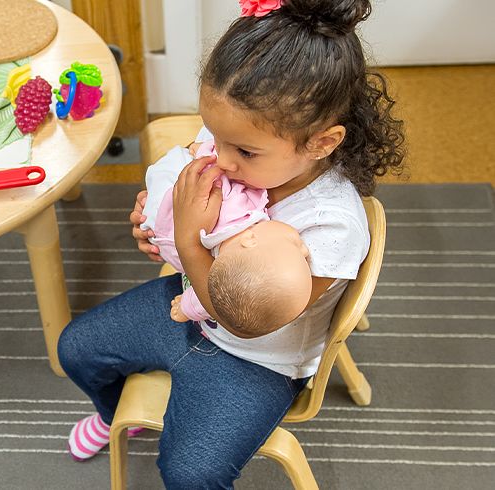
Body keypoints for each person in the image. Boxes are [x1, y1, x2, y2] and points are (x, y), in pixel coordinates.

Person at [58, 0, 405, 487]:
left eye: (243, 150)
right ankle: (116, 413)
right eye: (213, 135)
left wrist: (188, 239)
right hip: (185, 300)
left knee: (189, 474)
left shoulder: (331, 227)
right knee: (75, 348)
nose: (219, 159)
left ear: (322, 143)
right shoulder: (237, 141)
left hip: (257, 356)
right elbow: (190, 185)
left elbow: (244, 322)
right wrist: (158, 222)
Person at [143, 138, 313, 336]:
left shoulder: (235, 212)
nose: (305, 249)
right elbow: (206, 301)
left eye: (295, 246)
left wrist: (205, 151)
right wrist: (185, 308)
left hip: (168, 210)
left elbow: (213, 175)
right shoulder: (228, 272)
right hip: (167, 238)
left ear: (250, 240)